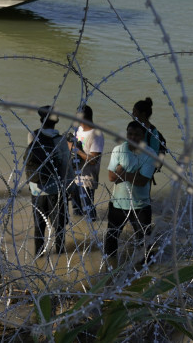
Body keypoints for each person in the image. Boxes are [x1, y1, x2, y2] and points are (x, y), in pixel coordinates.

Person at [103, 121, 156, 269]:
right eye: (130, 134)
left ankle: (145, 274)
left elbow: (142, 181)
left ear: (143, 136)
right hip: (118, 203)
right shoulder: (119, 149)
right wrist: (132, 174)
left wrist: (122, 172)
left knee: (144, 242)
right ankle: (109, 269)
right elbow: (111, 177)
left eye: (137, 134)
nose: (133, 137)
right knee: (112, 238)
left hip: (140, 205)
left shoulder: (150, 154)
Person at [24, 105, 70, 258]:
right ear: (56, 121)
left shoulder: (32, 135)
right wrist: (67, 189)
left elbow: (31, 161)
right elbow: (64, 167)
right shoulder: (61, 140)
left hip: (37, 189)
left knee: (39, 226)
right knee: (59, 227)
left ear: (41, 119)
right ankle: (61, 255)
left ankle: (39, 257)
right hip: (55, 189)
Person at [70, 105, 104, 220]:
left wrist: (76, 150)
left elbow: (94, 160)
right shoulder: (78, 130)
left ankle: (91, 235)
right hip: (74, 177)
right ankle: (80, 232)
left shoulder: (96, 134)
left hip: (87, 179)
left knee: (88, 212)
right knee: (76, 211)